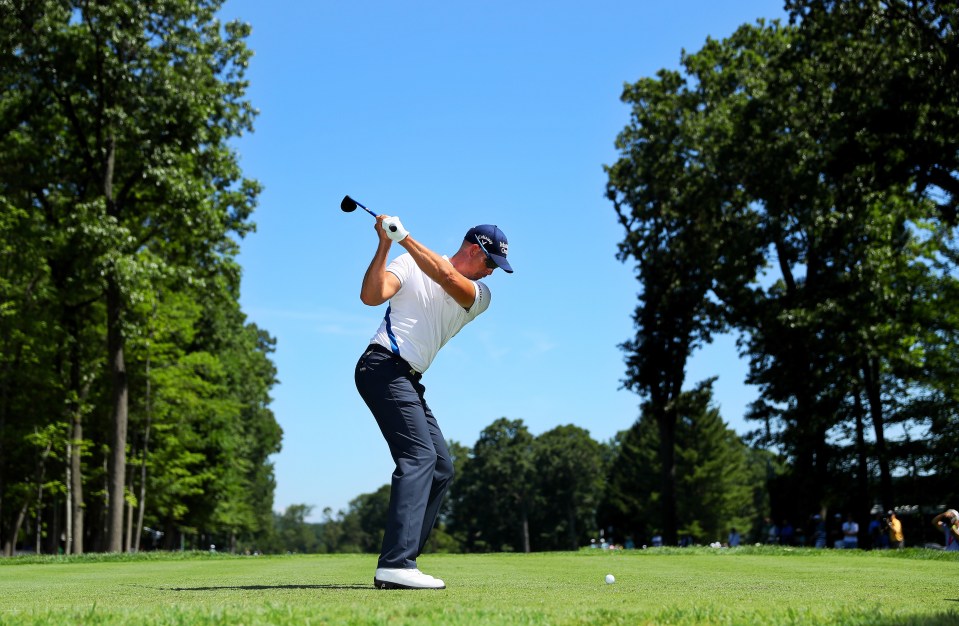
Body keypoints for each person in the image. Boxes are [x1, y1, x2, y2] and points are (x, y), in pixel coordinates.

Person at [354, 212, 513, 590]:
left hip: (407, 378)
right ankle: (396, 563)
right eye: (490, 262)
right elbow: (371, 296)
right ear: (474, 250)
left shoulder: (480, 295)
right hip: (382, 366)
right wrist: (385, 244)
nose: (492, 272)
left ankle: (403, 559)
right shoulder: (409, 261)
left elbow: (444, 276)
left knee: (441, 467)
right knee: (419, 458)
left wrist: (404, 237)